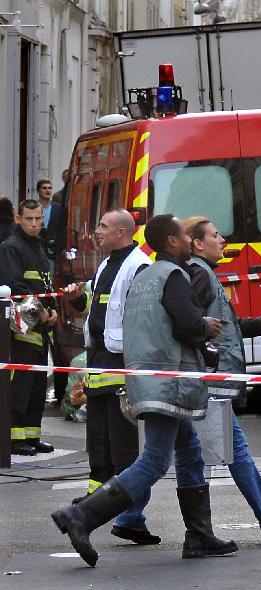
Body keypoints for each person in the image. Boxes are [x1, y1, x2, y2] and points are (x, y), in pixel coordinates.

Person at [51, 214, 237, 567]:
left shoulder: (146, 274)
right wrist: (205, 327)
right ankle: (81, 517)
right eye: (184, 235)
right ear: (171, 241)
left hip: (149, 377)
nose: (189, 241)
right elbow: (184, 325)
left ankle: (199, 534)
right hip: (168, 382)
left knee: (190, 452)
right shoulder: (174, 275)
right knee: (153, 460)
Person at [183, 216, 261, 538]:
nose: (223, 240)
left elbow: (227, 325)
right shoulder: (199, 274)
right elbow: (188, 323)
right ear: (198, 243)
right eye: (214, 235)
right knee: (201, 452)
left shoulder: (205, 273)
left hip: (214, 379)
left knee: (208, 449)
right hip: (211, 379)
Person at [61, 210, 158, 545]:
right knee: (98, 448)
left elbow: (142, 317)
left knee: (124, 451)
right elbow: (96, 306)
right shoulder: (105, 265)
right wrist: (77, 300)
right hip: (99, 364)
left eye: (102, 226)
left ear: (121, 231)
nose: (96, 232)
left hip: (120, 366)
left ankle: (129, 517)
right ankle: (92, 506)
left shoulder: (138, 265)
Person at [0, 199, 57, 456]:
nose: (34, 224)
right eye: (29, 219)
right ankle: (13, 438)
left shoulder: (39, 246)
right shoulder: (12, 248)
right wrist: (42, 312)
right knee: (20, 385)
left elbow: (45, 285)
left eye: (38, 219)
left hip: (41, 328)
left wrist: (54, 308)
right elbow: (15, 287)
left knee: (36, 387)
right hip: (21, 327)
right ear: (19, 219)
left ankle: (32, 435)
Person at [36, 179, 65, 261]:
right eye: (44, 188)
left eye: (49, 188)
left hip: (54, 251)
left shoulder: (59, 208)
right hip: (37, 248)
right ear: (38, 191)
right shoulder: (33, 207)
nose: (47, 190)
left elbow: (63, 228)